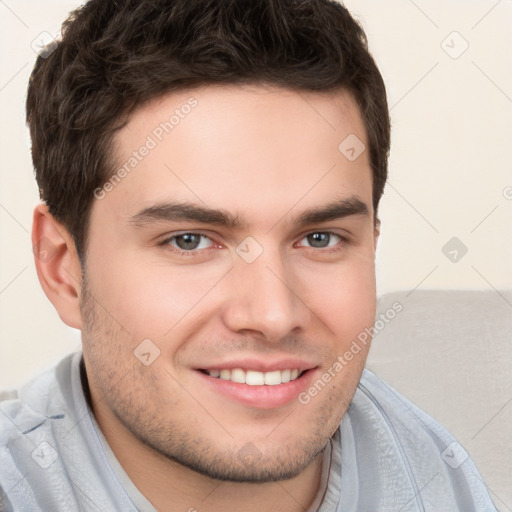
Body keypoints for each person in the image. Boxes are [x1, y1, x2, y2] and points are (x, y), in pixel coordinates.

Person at [0, 0, 497, 510]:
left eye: (320, 238)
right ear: (64, 269)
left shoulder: (438, 479)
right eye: (189, 240)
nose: (273, 315)